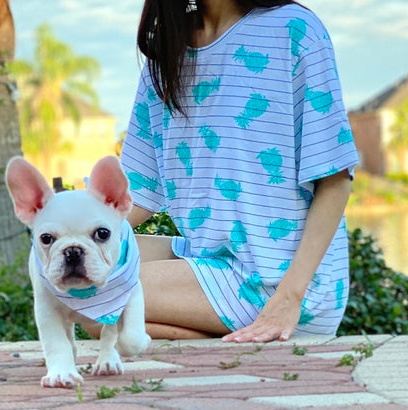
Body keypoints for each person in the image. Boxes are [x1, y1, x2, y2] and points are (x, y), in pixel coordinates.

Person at [120, 0, 359, 343]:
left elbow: (335, 181)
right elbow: (137, 195)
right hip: (211, 263)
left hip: (285, 286)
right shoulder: (166, 53)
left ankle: (225, 340)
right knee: (78, 274)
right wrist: (65, 228)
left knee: (102, 297)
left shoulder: (295, 30)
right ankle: (224, 345)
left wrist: (289, 298)